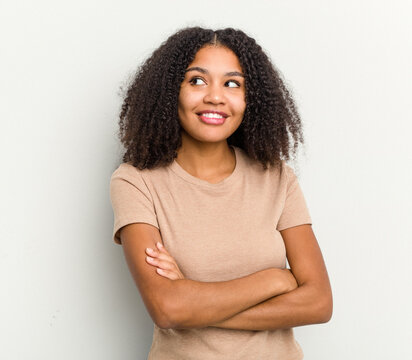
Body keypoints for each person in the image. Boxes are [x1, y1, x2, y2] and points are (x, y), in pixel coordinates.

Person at [109, 27, 332, 360]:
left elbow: (318, 303)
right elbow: (168, 308)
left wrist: (196, 305)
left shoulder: (277, 178)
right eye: (197, 81)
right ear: (171, 92)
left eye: (232, 84)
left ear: (250, 99)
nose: (215, 96)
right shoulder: (136, 182)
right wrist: (274, 281)